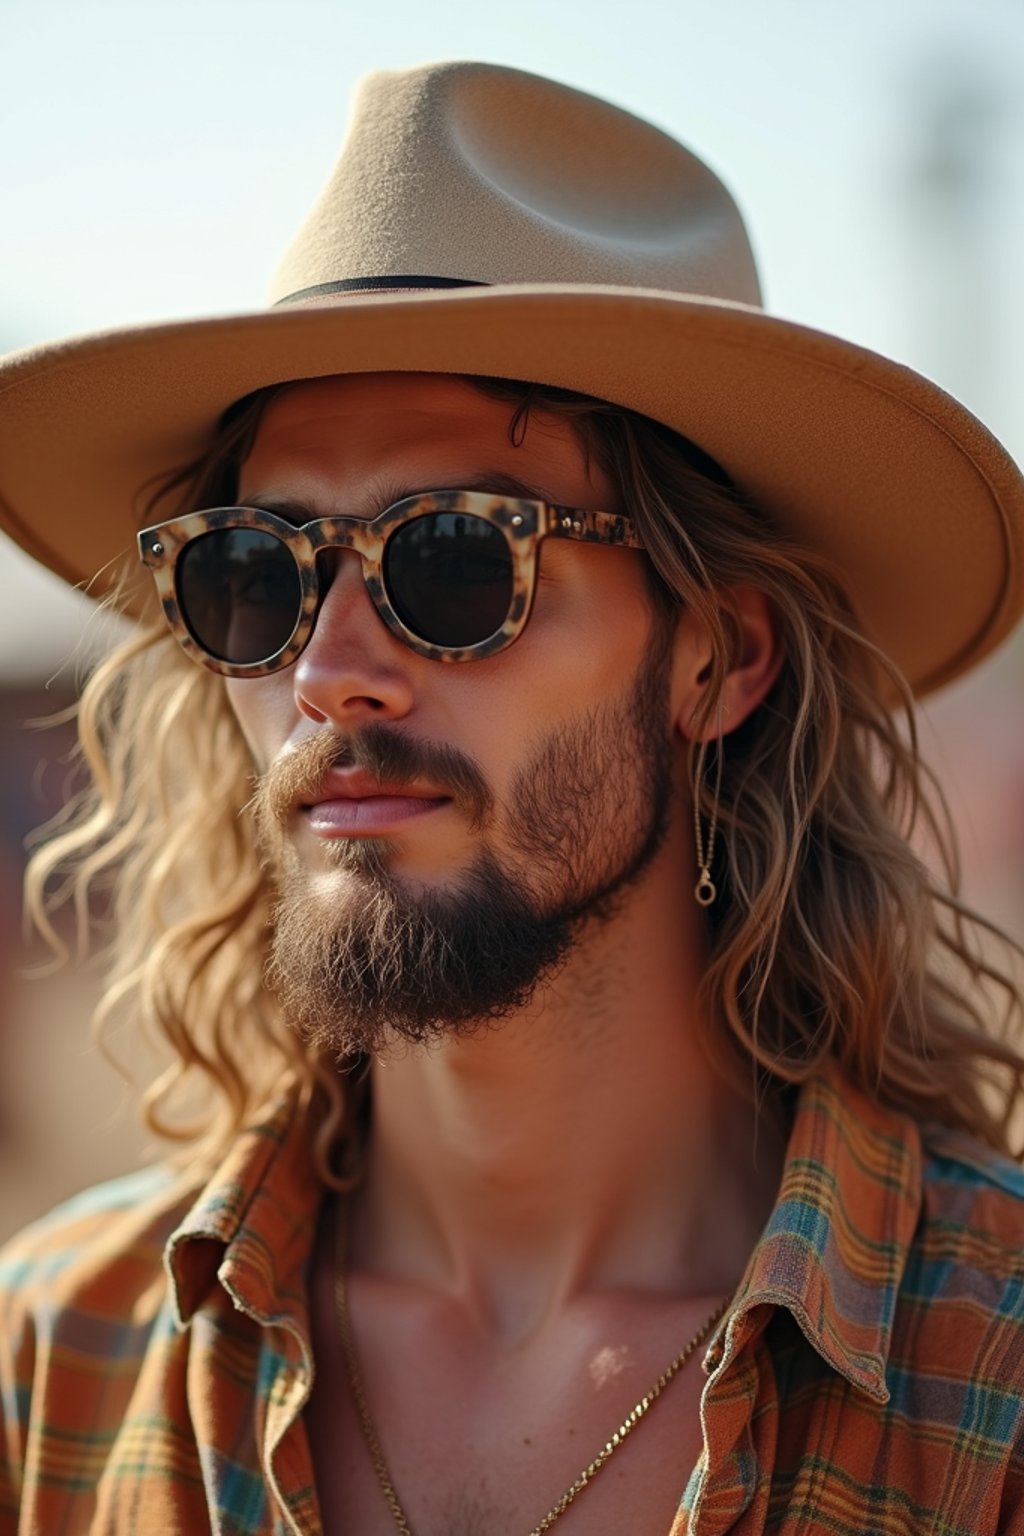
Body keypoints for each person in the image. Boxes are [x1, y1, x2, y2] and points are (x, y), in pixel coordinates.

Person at [2, 58, 1024, 1536]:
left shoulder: (982, 1381)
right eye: (254, 576)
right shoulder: (64, 1366)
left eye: (457, 560)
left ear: (721, 657)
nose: (331, 673)